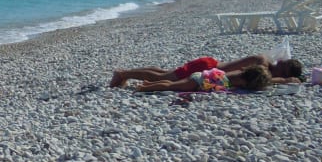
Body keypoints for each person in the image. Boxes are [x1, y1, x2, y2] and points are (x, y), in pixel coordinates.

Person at [110, 55, 302, 88]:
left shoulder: (265, 60)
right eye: (283, 72)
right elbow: (259, 78)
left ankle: (124, 74)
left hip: (209, 64)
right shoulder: (263, 65)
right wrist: (284, 81)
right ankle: (123, 74)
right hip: (208, 69)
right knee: (163, 77)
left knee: (167, 73)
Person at [134, 64, 272, 93]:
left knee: (172, 83)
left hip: (199, 76)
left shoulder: (239, 72)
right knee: (171, 86)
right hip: (198, 81)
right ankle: (144, 88)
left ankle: (148, 83)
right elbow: (226, 87)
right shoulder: (240, 81)